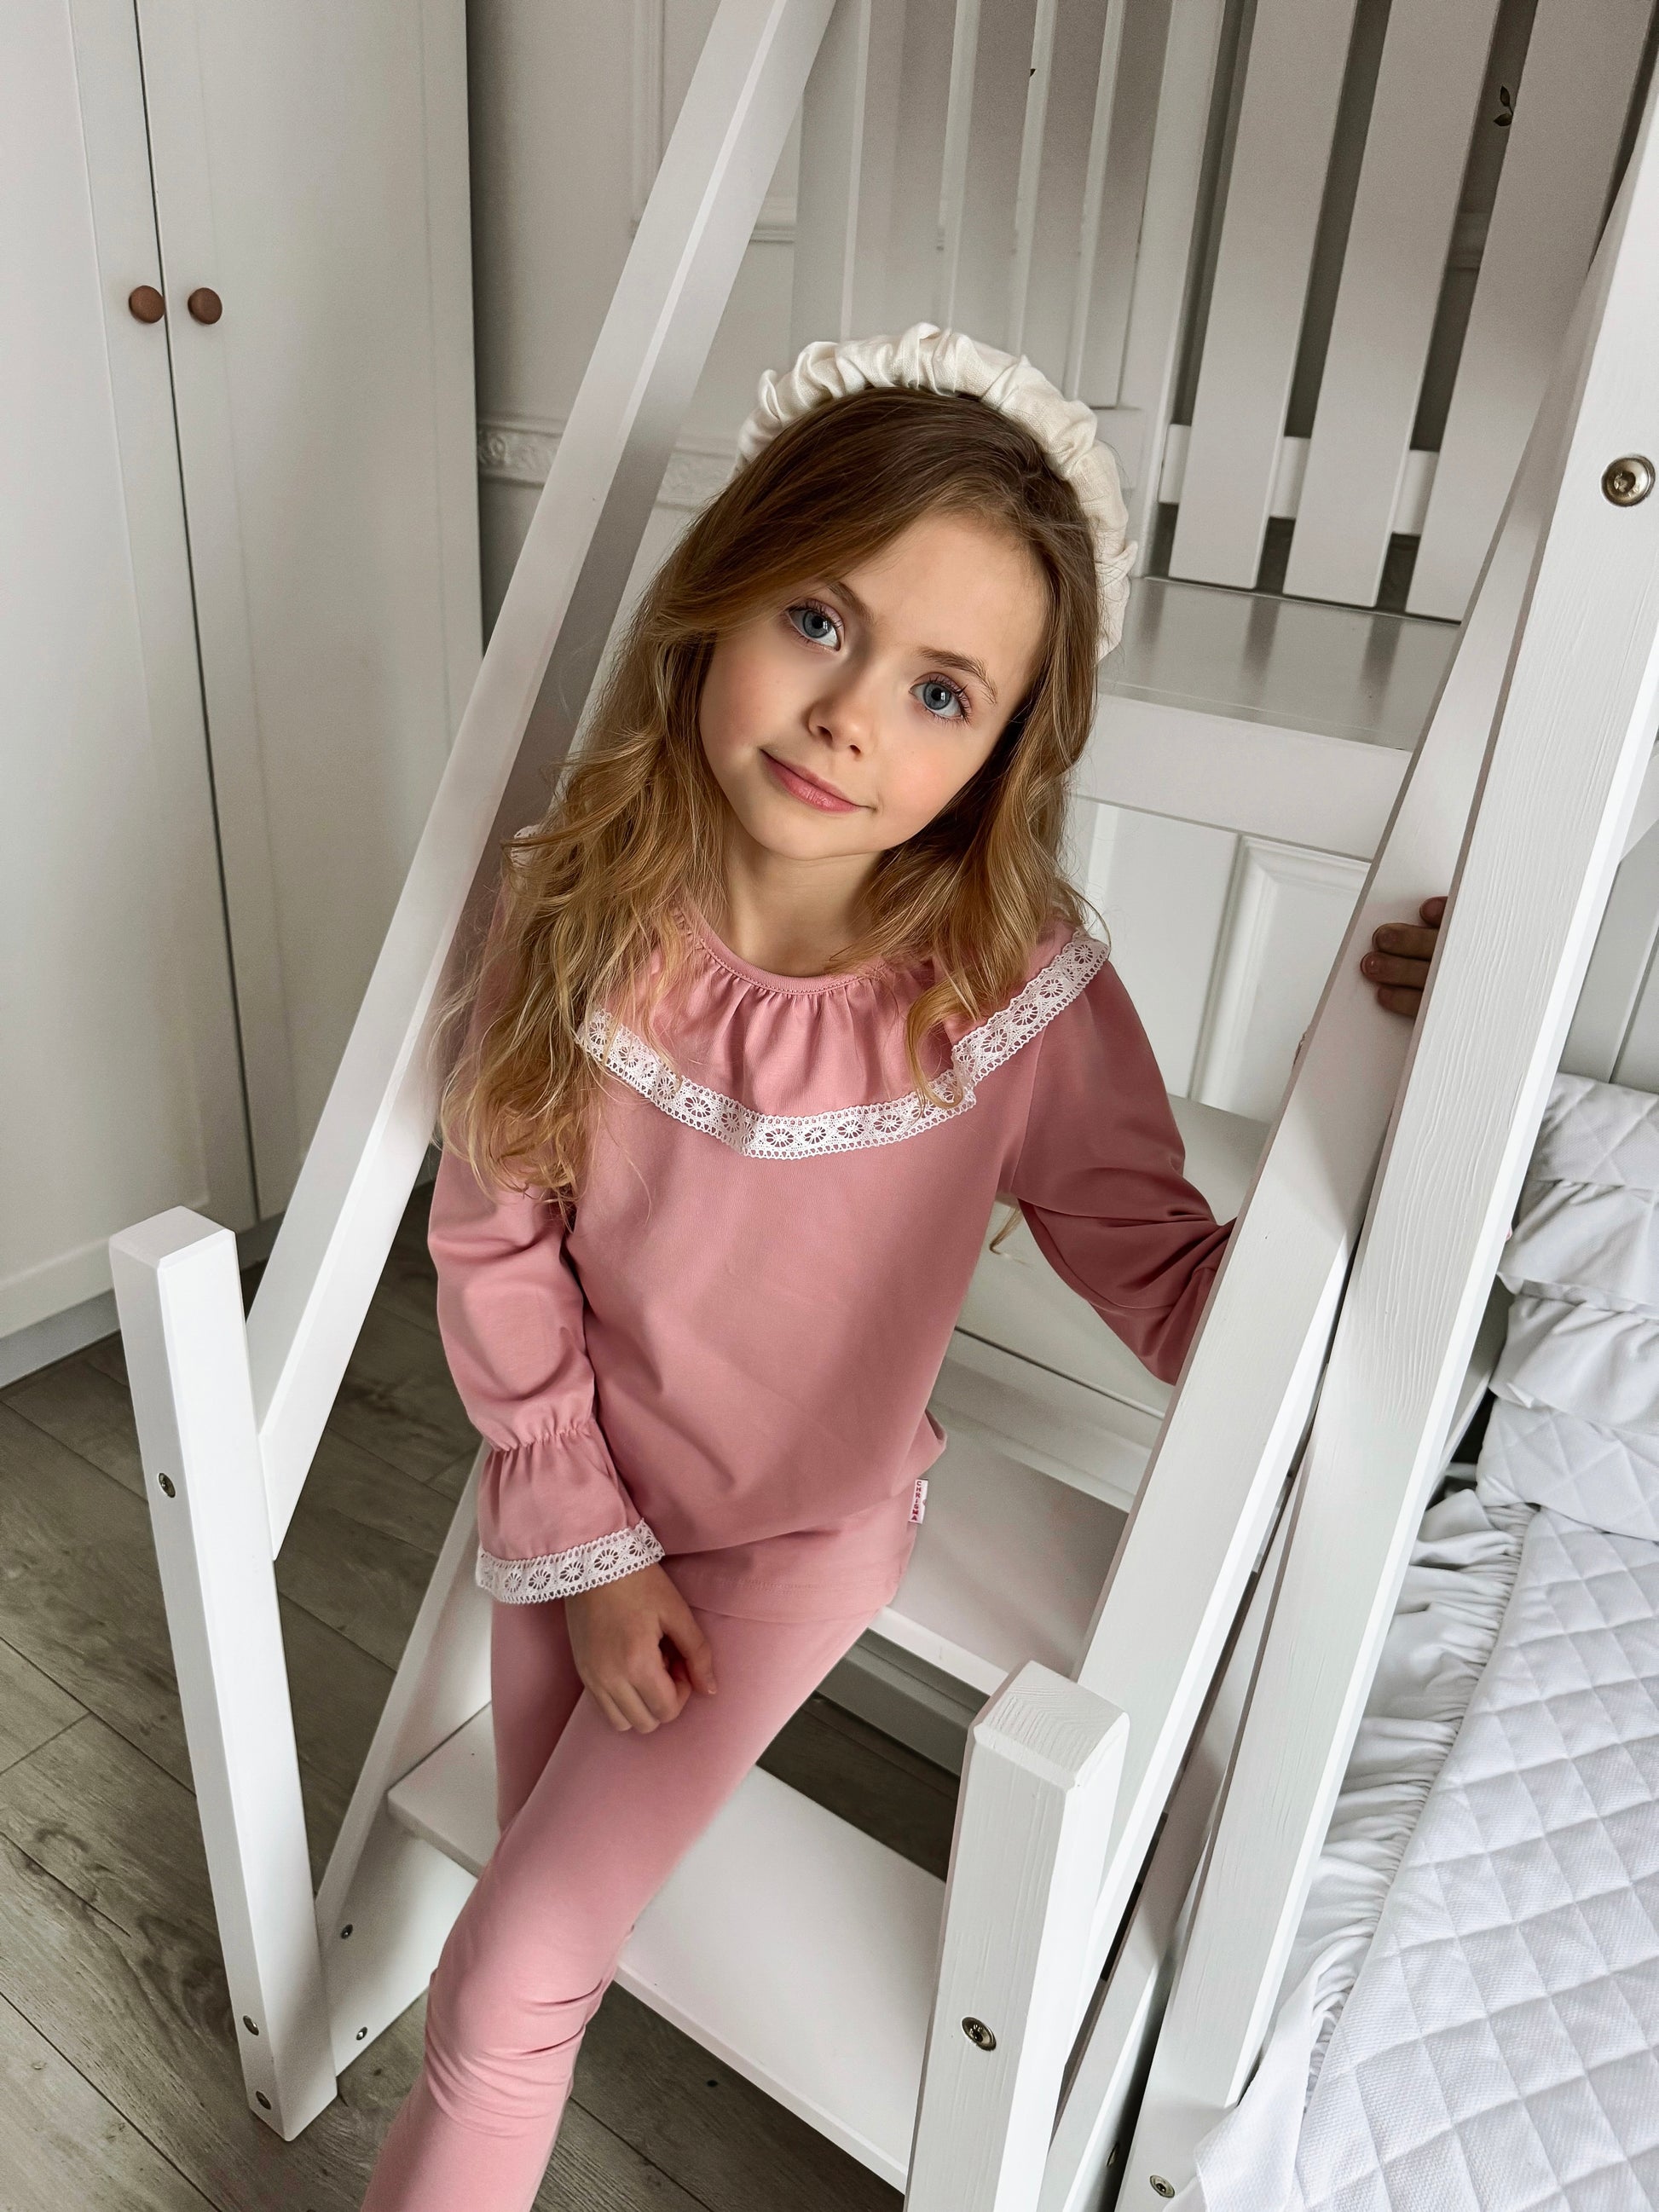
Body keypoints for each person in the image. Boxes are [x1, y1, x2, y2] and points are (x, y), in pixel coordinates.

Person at [359, 325, 1440, 2210]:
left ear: (1002, 751)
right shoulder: (570, 894)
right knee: (530, 1916)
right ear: (725, 593)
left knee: (510, 1974)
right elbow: (496, 1227)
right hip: (576, 1495)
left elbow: (1177, 1291)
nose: (851, 714)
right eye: (819, 620)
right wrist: (589, 1546)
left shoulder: (1013, 996)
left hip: (788, 1546)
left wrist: (1407, 1102)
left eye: (942, 691)